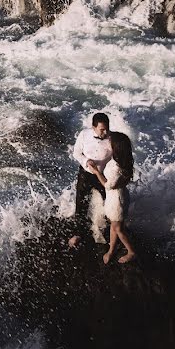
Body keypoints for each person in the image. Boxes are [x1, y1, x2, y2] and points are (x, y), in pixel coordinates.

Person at [87, 131, 136, 264]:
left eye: (111, 143)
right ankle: (111, 249)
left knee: (118, 228)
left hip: (116, 201)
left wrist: (96, 171)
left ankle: (131, 251)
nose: (108, 144)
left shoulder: (116, 167)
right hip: (118, 196)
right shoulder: (123, 160)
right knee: (115, 225)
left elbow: (108, 185)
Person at [68, 112, 111, 247]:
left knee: (109, 203)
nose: (105, 132)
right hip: (86, 173)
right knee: (81, 203)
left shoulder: (112, 138)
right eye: (102, 129)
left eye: (107, 128)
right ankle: (78, 233)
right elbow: (76, 152)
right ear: (93, 127)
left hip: (104, 175)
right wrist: (86, 161)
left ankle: (109, 232)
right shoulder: (84, 134)